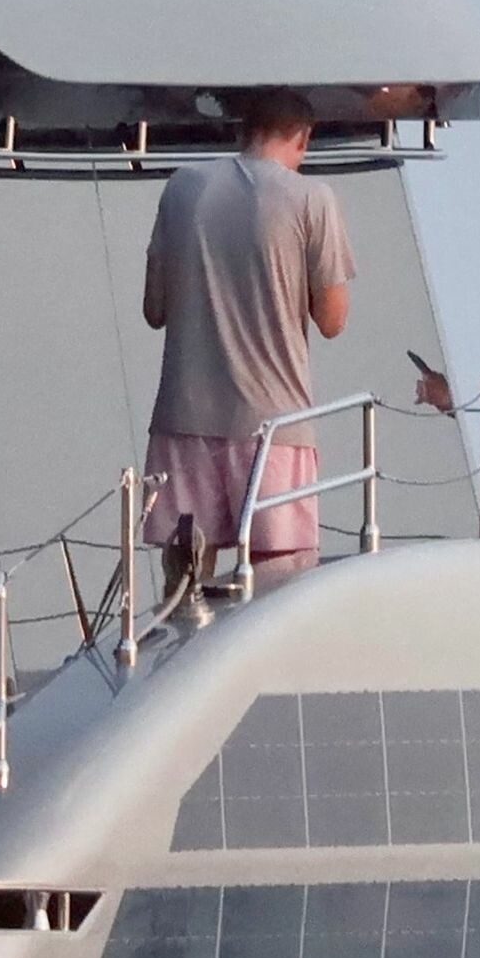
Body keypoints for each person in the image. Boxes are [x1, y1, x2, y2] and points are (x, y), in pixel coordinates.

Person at [140, 89, 356, 589]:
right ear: (303, 139)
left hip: (183, 421)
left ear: (243, 131)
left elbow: (154, 310)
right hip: (273, 427)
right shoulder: (311, 199)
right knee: (278, 587)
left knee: (184, 592)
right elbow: (333, 320)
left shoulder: (182, 188)